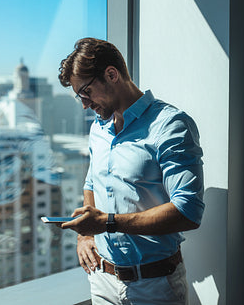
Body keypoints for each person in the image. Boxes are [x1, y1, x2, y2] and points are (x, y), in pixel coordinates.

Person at [57, 37, 204, 305]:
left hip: (155, 286)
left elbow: (188, 211)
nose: (84, 104)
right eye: (79, 96)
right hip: (102, 279)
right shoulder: (98, 129)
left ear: (111, 74)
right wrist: (87, 235)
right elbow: (92, 183)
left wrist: (106, 223)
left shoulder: (170, 125)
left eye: (86, 92)